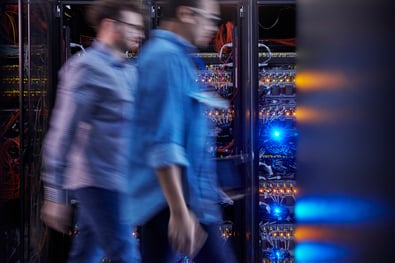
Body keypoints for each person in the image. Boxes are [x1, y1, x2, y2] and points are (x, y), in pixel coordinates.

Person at [126, 0, 238, 262]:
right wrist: (179, 211)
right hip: (176, 202)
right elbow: (164, 143)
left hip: (183, 200)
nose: (213, 27)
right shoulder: (165, 58)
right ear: (186, 13)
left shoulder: (175, 57)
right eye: (210, 19)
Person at [40, 0, 145, 262]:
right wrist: (55, 195)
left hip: (118, 181)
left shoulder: (129, 71)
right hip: (99, 183)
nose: (139, 34)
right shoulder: (86, 69)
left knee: (86, 253)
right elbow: (61, 134)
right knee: (125, 254)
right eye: (133, 27)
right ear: (110, 26)